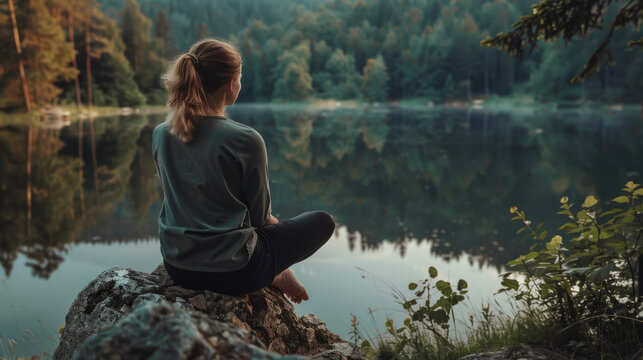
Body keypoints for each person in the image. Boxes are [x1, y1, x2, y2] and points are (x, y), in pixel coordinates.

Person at [152, 38, 335, 303]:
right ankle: (276, 271)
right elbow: (260, 218)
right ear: (231, 84)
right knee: (322, 222)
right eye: (240, 77)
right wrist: (280, 239)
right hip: (237, 272)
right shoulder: (246, 139)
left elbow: (180, 200)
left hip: (178, 267)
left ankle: (274, 267)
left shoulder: (161, 133)